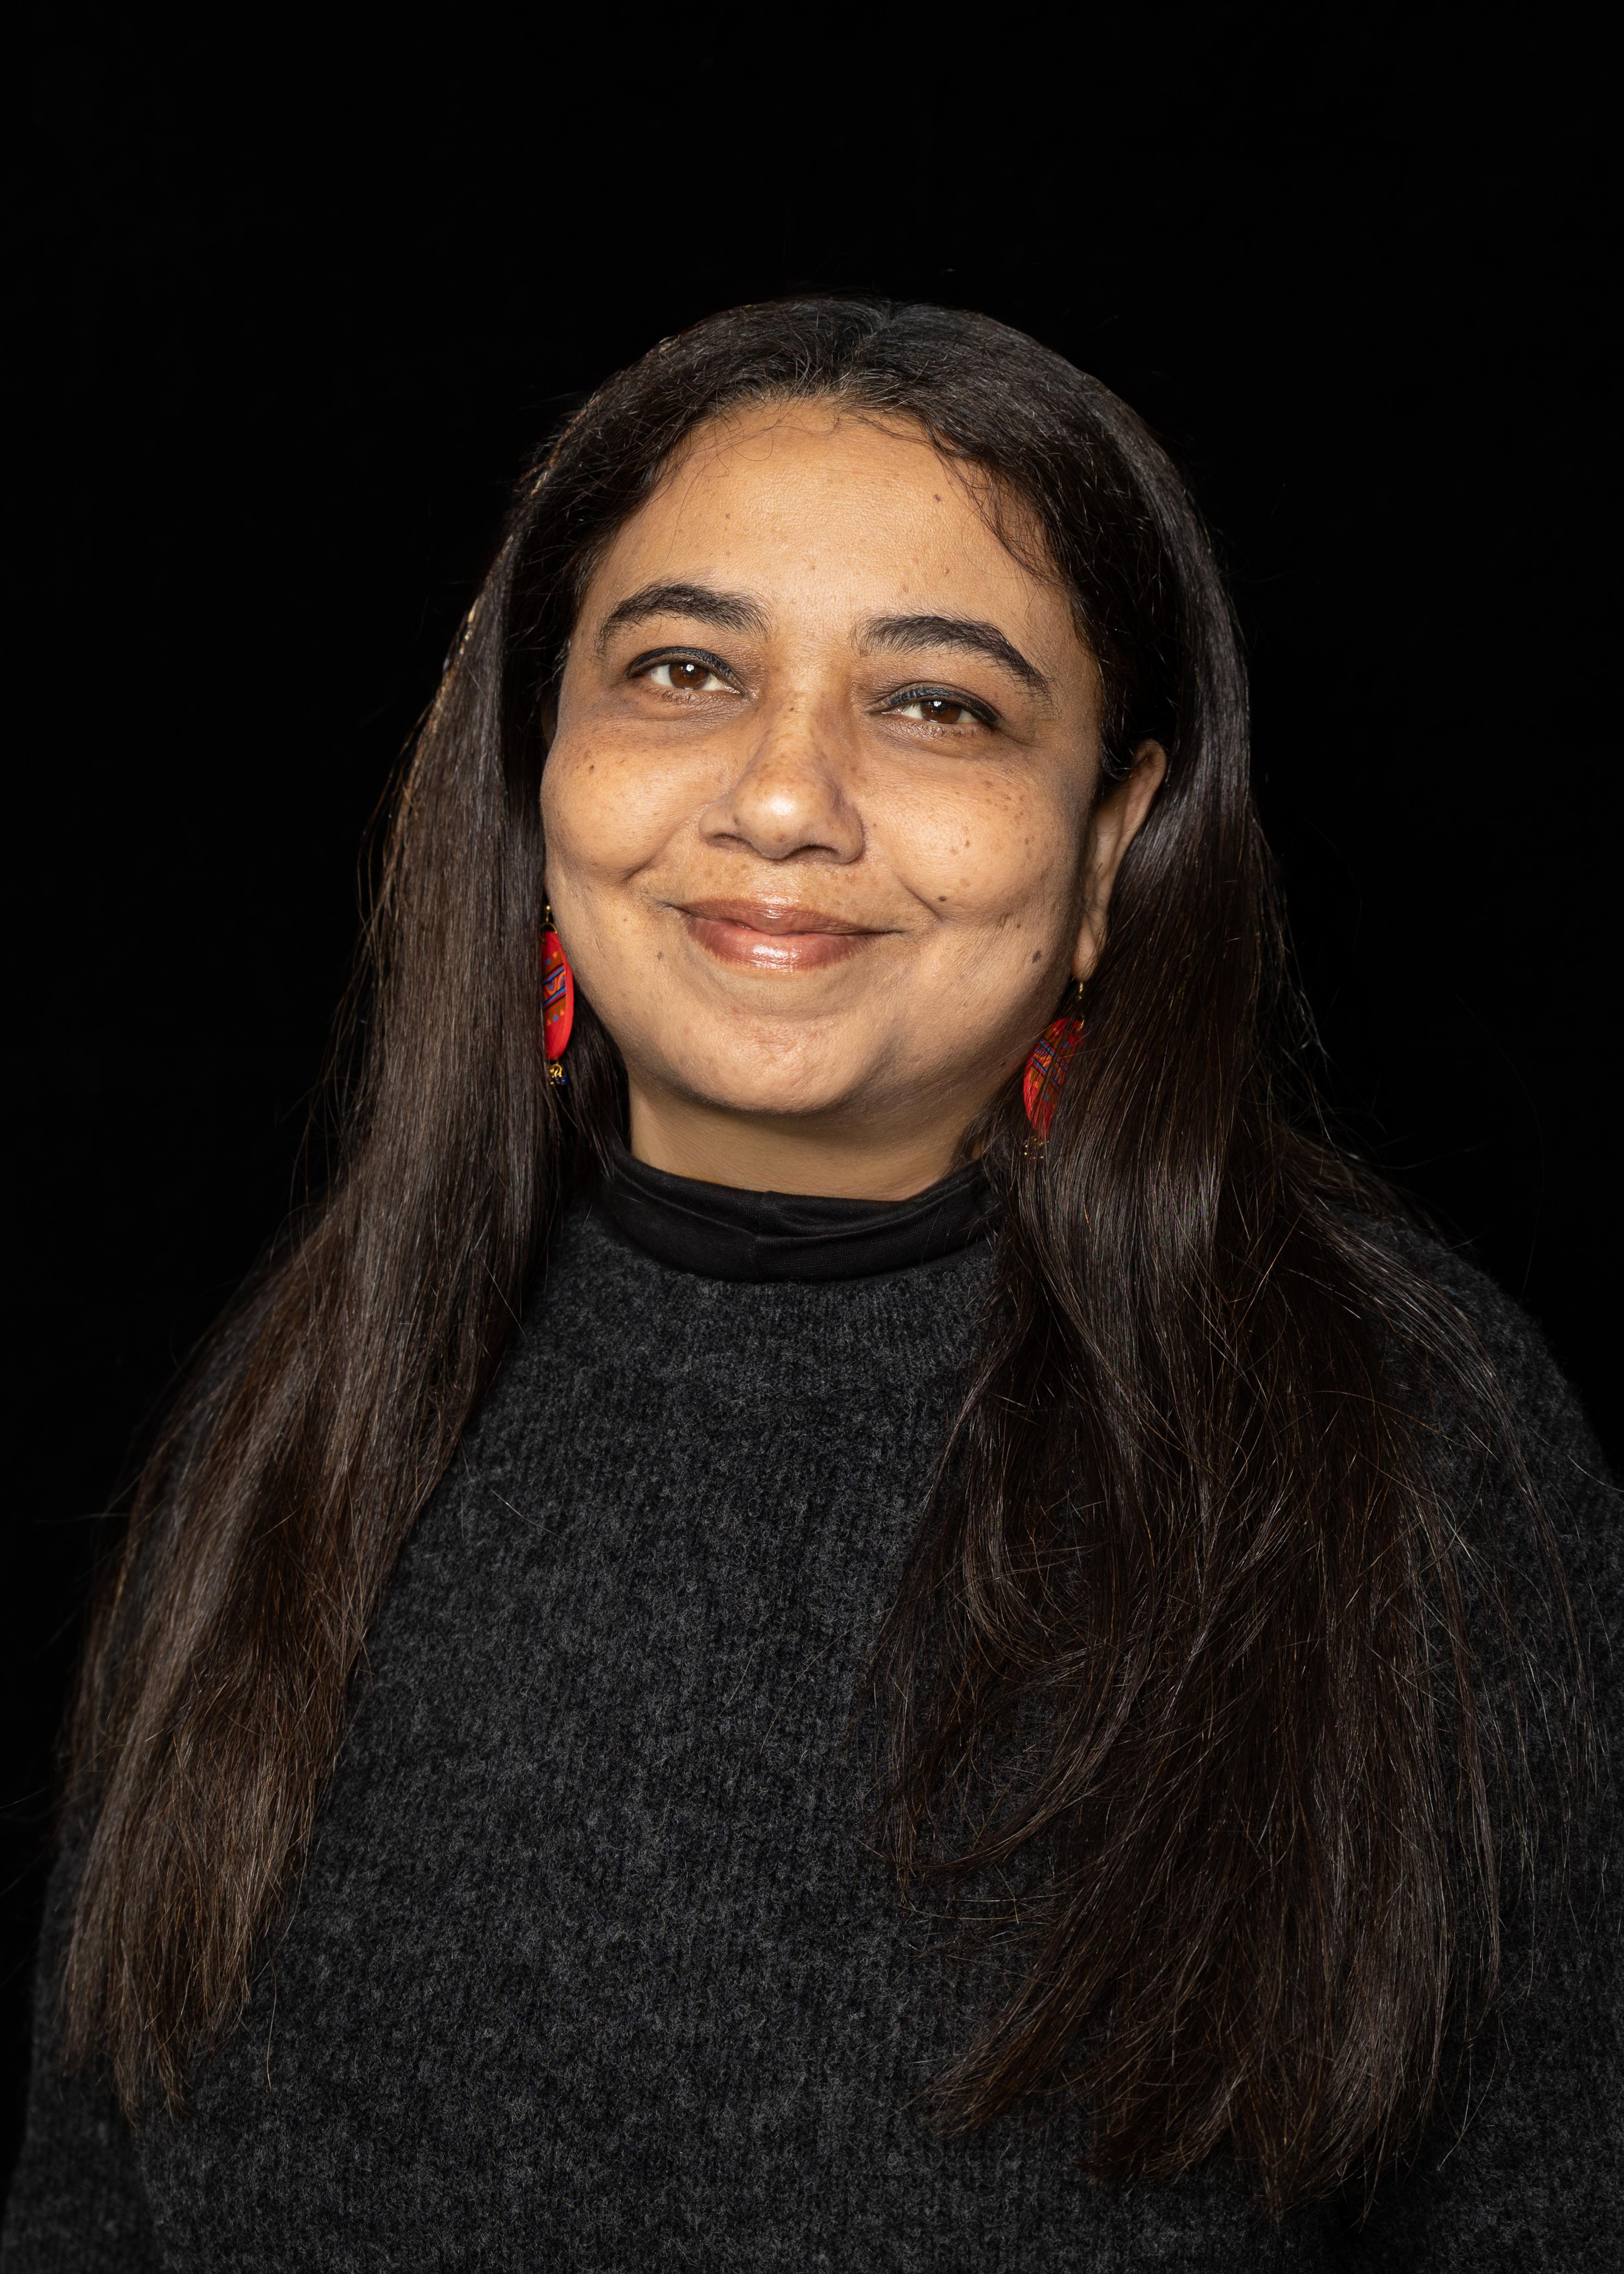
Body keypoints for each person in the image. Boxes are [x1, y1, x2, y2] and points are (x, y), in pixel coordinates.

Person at [3, 299, 1617, 2269]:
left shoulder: (1406, 1434)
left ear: (1112, 846)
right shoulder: (309, 1392)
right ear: (536, 773)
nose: (783, 798)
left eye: (937, 702)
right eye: (683, 669)